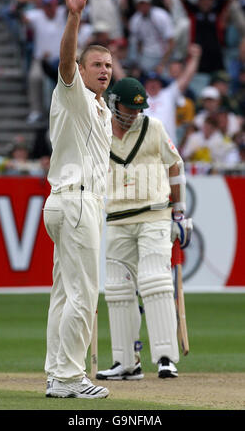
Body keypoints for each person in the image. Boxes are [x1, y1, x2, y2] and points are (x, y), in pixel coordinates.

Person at [43, 0, 112, 399]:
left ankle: (56, 373)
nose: (104, 71)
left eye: (108, 66)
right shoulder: (74, 93)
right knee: (85, 296)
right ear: (83, 71)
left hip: (68, 203)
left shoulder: (101, 109)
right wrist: (74, 18)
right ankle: (70, 378)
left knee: (64, 296)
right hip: (75, 202)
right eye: (97, 65)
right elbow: (66, 62)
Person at [96, 77, 192, 381]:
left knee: (155, 281)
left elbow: (175, 166)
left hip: (154, 215)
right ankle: (126, 362)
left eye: (139, 109)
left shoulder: (153, 127)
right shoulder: (99, 131)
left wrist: (179, 212)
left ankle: (165, 358)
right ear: (114, 103)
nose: (134, 114)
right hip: (117, 219)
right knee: (117, 289)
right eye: (128, 108)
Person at [144, 43, 201, 145]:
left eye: (156, 82)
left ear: (160, 84)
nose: (153, 84)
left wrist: (195, 58)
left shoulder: (168, 94)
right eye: (150, 82)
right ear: (145, 84)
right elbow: (122, 81)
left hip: (168, 147)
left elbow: (186, 77)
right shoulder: (140, 96)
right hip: (146, 148)